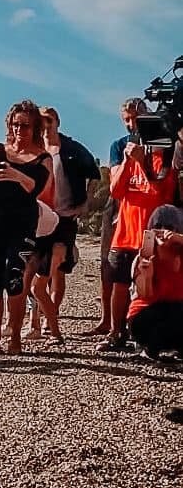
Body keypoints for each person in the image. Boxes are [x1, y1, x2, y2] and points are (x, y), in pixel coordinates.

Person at [0, 101, 52, 354]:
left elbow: (36, 188)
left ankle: (15, 337)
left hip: (23, 224)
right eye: (15, 124)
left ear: (35, 128)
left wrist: (16, 174)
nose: (20, 130)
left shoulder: (42, 157)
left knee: (14, 279)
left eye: (25, 125)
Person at [101, 126, 181, 350]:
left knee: (149, 288)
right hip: (125, 233)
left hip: (150, 238)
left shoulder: (164, 163)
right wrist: (128, 162)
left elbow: (159, 193)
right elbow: (115, 191)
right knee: (119, 284)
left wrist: (143, 165)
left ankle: (147, 337)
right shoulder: (132, 160)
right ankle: (116, 333)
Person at [25, 106, 99, 340]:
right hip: (39, 216)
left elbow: (94, 175)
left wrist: (85, 203)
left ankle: (50, 319)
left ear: (57, 121)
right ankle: (35, 321)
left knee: (56, 271)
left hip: (65, 217)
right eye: (40, 120)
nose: (45, 124)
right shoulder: (34, 149)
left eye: (48, 119)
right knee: (32, 269)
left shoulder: (72, 149)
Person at [93, 99, 145, 335]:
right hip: (118, 207)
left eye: (135, 118)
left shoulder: (158, 144)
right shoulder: (119, 145)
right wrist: (128, 160)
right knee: (110, 267)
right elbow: (115, 185)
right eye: (127, 119)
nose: (132, 124)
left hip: (144, 210)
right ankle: (109, 322)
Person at [128, 203, 183, 359]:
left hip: (176, 313)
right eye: (158, 226)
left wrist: (178, 239)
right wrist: (147, 276)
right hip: (148, 315)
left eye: (169, 227)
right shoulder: (145, 255)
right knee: (167, 310)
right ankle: (150, 348)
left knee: (176, 310)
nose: (163, 230)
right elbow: (145, 295)